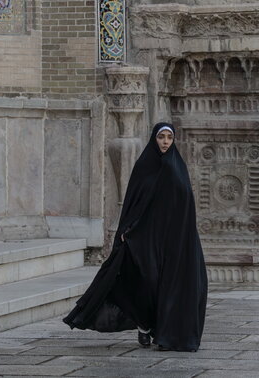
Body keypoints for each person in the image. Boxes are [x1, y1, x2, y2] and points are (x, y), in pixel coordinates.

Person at [63, 122, 208, 352]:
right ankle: (143, 325)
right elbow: (133, 202)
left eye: (169, 138)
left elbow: (185, 207)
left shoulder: (177, 168)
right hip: (145, 236)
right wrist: (126, 230)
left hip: (172, 239)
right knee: (145, 281)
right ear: (154, 139)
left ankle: (164, 334)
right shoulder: (144, 166)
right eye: (161, 137)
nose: (165, 142)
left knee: (167, 285)